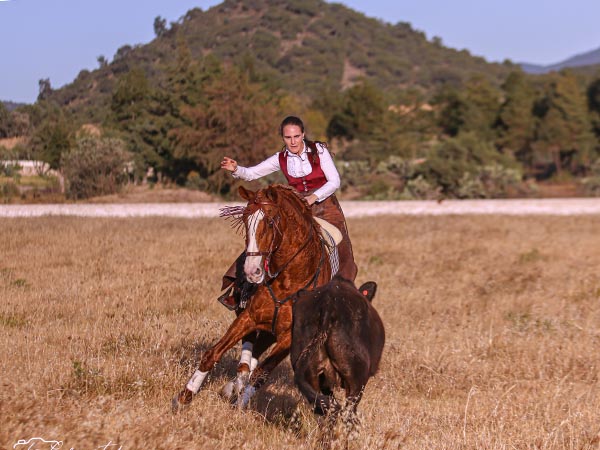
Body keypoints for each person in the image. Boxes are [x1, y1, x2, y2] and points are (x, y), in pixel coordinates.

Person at [218, 115, 358, 309]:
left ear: (303, 135)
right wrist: (236, 169)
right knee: (263, 236)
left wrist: (313, 197)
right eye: (287, 137)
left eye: (296, 136)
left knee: (339, 243)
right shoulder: (280, 158)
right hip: (298, 209)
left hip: (326, 207)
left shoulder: (319, 151)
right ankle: (240, 288)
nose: (292, 141)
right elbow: (252, 174)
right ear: (283, 138)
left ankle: (344, 292)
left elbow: (334, 181)